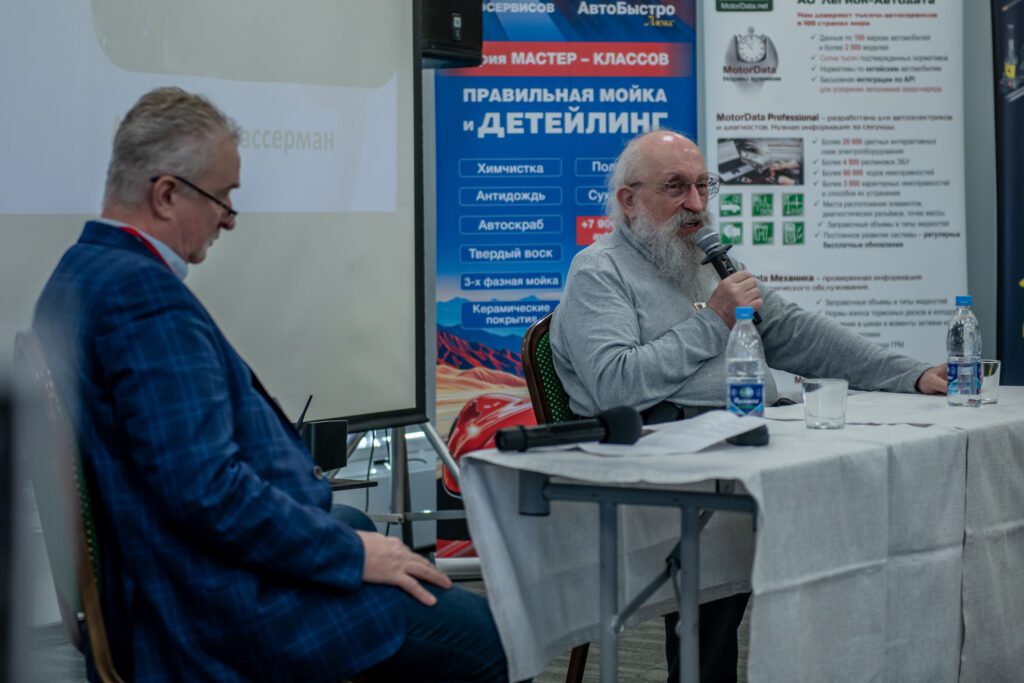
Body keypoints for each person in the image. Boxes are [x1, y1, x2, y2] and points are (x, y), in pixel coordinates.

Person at [32, 87, 511, 682]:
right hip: (215, 608)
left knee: (360, 527)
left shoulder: (78, 272)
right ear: (166, 194)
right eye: (222, 196)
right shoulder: (142, 298)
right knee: (490, 640)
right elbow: (206, 492)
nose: (229, 218)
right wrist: (349, 555)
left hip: (176, 576)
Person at [549, 129, 946, 682]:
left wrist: (910, 373)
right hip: (658, 464)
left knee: (859, 497)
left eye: (702, 185)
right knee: (729, 544)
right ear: (629, 200)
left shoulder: (705, 259)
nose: (695, 204)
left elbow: (795, 332)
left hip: (744, 442)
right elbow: (616, 385)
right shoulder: (599, 272)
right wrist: (713, 320)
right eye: (675, 188)